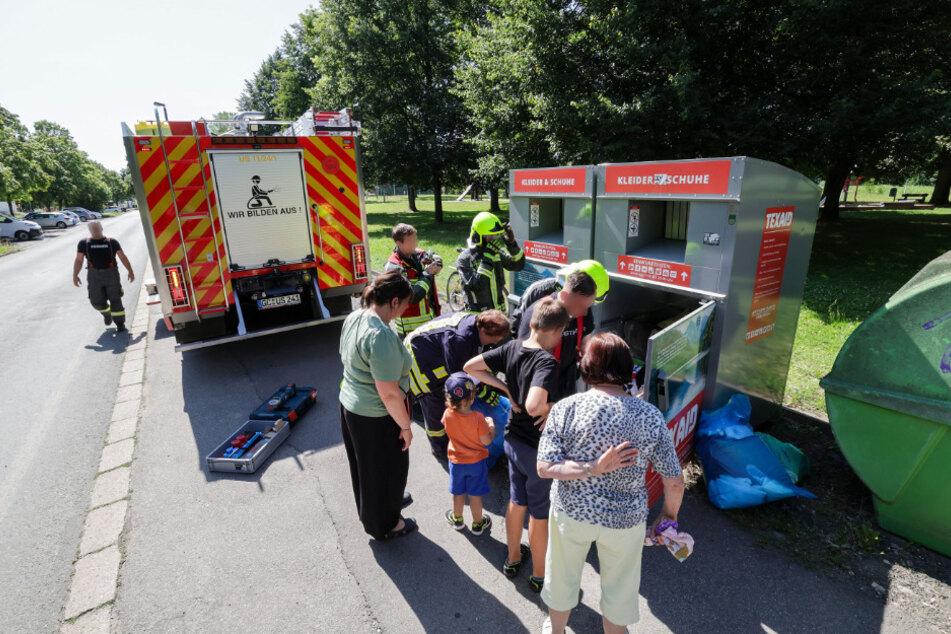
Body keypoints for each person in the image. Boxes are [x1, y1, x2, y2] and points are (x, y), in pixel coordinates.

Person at [536, 333, 685, 634]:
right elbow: (676, 481)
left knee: (562, 576)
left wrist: (592, 467)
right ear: (628, 369)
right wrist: (667, 519)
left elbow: (544, 467)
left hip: (572, 513)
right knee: (620, 589)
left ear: (587, 366)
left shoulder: (567, 408)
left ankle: (556, 631)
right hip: (625, 521)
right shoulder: (651, 416)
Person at [464, 297, 568, 593]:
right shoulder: (547, 361)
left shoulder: (512, 347)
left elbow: (471, 366)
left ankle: (512, 559)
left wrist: (506, 387)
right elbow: (535, 405)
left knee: (516, 500)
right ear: (556, 330)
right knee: (539, 513)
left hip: (512, 440)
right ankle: (538, 574)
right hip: (537, 452)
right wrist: (551, 407)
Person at [338, 270, 418, 541]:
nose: (407, 309)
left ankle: (384, 504)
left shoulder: (355, 317)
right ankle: (385, 523)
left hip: (351, 406)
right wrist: (406, 427)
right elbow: (389, 394)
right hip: (375, 416)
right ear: (394, 301)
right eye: (406, 304)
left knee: (367, 468)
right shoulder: (380, 336)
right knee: (386, 469)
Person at [404, 310, 511, 459]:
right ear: (484, 332)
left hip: (436, 354)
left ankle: (450, 439)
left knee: (452, 399)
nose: (494, 344)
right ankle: (440, 449)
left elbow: (477, 363)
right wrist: (483, 392)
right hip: (419, 362)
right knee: (435, 406)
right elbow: (459, 376)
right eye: (493, 340)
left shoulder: (478, 327)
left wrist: (484, 386)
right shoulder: (460, 340)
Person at [515, 261, 610, 400]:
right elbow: (523, 353)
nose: (586, 310)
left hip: (566, 381)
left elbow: (585, 342)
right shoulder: (539, 300)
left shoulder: (583, 309)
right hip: (537, 386)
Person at [442, 372, 499, 535]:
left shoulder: (447, 415)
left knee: (458, 492)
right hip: (476, 462)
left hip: (456, 462)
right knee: (475, 495)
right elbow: (487, 441)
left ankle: (457, 519)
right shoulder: (479, 418)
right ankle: (478, 523)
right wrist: (491, 427)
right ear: (472, 397)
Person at [72, 220, 135, 333]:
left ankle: (120, 324)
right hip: (93, 275)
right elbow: (79, 260)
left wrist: (130, 271)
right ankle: (106, 313)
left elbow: (123, 257)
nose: (95, 230)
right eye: (93, 229)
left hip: (111, 274)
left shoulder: (112, 242)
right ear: (90, 230)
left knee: (115, 299)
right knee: (95, 300)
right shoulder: (84, 243)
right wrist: (75, 275)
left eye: (97, 228)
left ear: (101, 228)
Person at [456, 211, 524, 314]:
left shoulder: (496, 253)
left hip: (499, 315)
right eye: (491, 236)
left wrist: (511, 245)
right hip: (479, 319)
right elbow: (477, 285)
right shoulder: (465, 259)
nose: (495, 238)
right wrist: (488, 257)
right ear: (478, 236)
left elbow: (518, 265)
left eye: (496, 235)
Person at [384, 223, 443, 337]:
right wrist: (427, 274)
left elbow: (433, 255)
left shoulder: (417, 254)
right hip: (410, 332)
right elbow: (412, 297)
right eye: (411, 241)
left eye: (415, 239)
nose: (415, 243)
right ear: (399, 243)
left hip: (429, 325)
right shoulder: (394, 267)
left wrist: (438, 263)